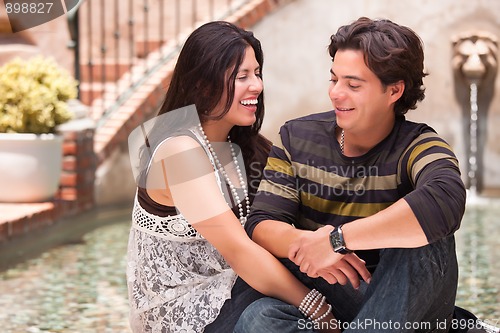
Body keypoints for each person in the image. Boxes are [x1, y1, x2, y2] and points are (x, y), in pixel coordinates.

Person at [236, 17, 467, 332]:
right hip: (334, 301)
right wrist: (310, 243)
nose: (336, 94)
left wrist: (337, 240)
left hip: (402, 301)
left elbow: (445, 199)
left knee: (427, 236)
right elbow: (262, 223)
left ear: (394, 91)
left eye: (353, 85)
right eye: (334, 80)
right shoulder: (296, 137)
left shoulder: (418, 145)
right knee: (260, 318)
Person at [126, 21, 336, 332]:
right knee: (309, 275)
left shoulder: (246, 147)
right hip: (190, 312)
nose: (257, 86)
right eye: (242, 77)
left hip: (236, 292)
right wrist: (318, 309)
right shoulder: (178, 151)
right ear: (202, 85)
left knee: (319, 258)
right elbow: (240, 251)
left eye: (257, 73)